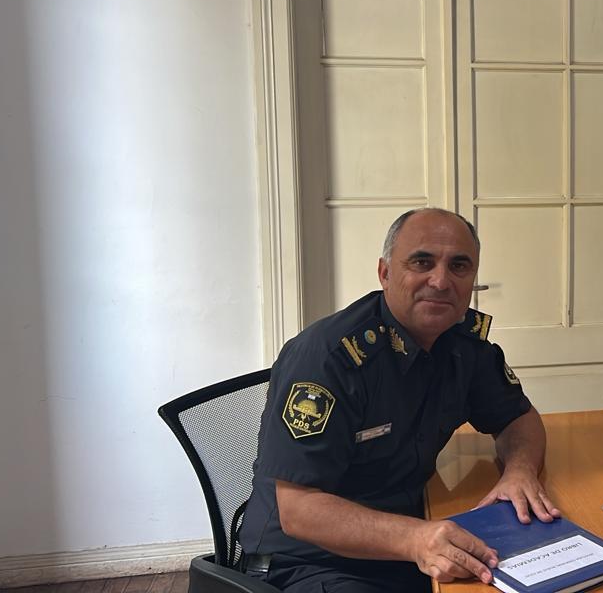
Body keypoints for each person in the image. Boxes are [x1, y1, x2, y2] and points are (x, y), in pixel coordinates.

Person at [237, 208, 560, 593]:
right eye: (422, 262)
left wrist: (519, 471)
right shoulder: (329, 359)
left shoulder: (463, 344)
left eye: (459, 266)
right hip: (308, 563)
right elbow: (299, 511)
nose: (440, 281)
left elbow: (518, 418)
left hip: (405, 544)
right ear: (385, 272)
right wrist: (414, 539)